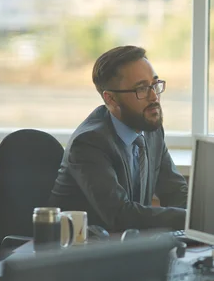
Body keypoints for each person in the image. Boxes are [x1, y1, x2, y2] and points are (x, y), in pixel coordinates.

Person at [49, 45, 188, 232]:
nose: (154, 96)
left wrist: (207, 217)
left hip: (128, 248)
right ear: (111, 99)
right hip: (83, 253)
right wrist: (190, 219)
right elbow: (120, 215)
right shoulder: (89, 143)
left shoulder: (150, 128)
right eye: (141, 89)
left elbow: (175, 191)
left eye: (155, 85)